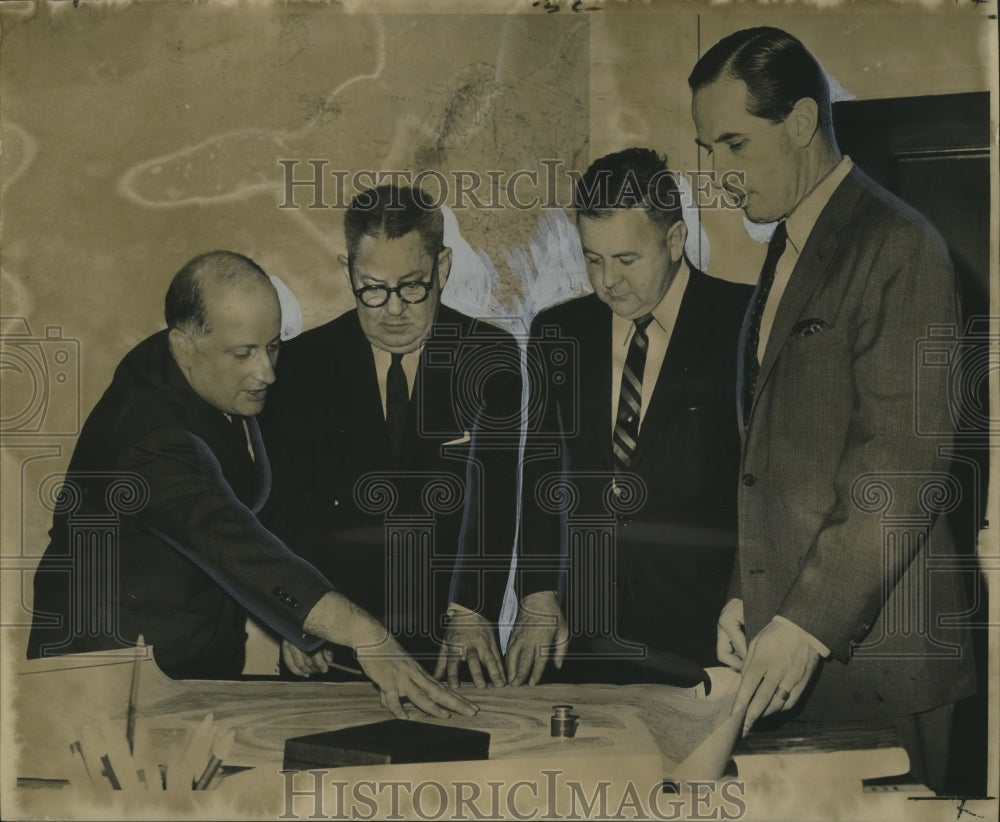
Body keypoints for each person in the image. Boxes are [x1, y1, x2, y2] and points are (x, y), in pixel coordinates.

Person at [689, 27, 975, 790]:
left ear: (805, 123)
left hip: (881, 662)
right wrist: (745, 590)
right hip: (794, 653)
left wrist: (807, 623)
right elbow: (777, 460)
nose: (717, 175)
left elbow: (904, 466)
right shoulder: (791, 247)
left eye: (733, 145)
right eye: (706, 150)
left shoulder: (898, 246)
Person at [26, 250, 477, 720]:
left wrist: (301, 624)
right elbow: (232, 541)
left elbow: (260, 506)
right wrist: (368, 635)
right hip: (104, 683)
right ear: (183, 346)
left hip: (191, 668)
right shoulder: (151, 437)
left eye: (273, 347)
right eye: (245, 353)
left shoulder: (206, 367)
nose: (268, 372)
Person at [506, 148, 752, 686]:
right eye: (593, 259)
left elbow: (766, 486)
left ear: (674, 240)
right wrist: (540, 592)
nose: (607, 281)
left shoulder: (745, 325)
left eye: (625, 259)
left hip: (704, 632)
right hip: (582, 636)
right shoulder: (558, 333)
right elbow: (542, 473)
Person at [259, 185, 521, 689]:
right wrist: (297, 617)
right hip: (331, 645)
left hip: (451, 643)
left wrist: (471, 608)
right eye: (372, 288)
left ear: (442, 269)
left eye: (412, 286)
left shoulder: (489, 356)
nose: (392, 309)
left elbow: (496, 492)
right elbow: (285, 507)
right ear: (347, 272)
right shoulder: (301, 366)